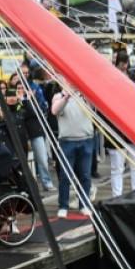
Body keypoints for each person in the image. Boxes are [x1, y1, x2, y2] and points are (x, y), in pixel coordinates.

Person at [51, 88, 95, 218]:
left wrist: (84, 93)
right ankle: (63, 206)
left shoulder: (86, 95)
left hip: (86, 139)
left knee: (85, 175)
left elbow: (93, 108)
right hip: (67, 141)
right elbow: (54, 111)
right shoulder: (58, 96)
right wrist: (66, 97)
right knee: (65, 176)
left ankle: (84, 204)